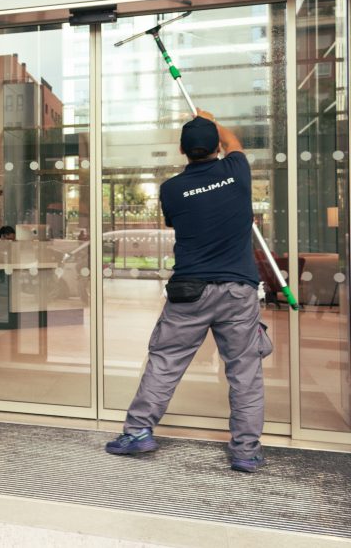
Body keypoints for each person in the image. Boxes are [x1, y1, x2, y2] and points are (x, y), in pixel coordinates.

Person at [105, 110, 271, 473]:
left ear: (182, 150)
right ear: (217, 147)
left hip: (189, 291)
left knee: (165, 362)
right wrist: (211, 119)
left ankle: (137, 433)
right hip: (237, 291)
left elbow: (178, 217)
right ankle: (245, 451)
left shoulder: (171, 190)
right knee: (244, 371)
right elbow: (234, 143)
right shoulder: (237, 172)